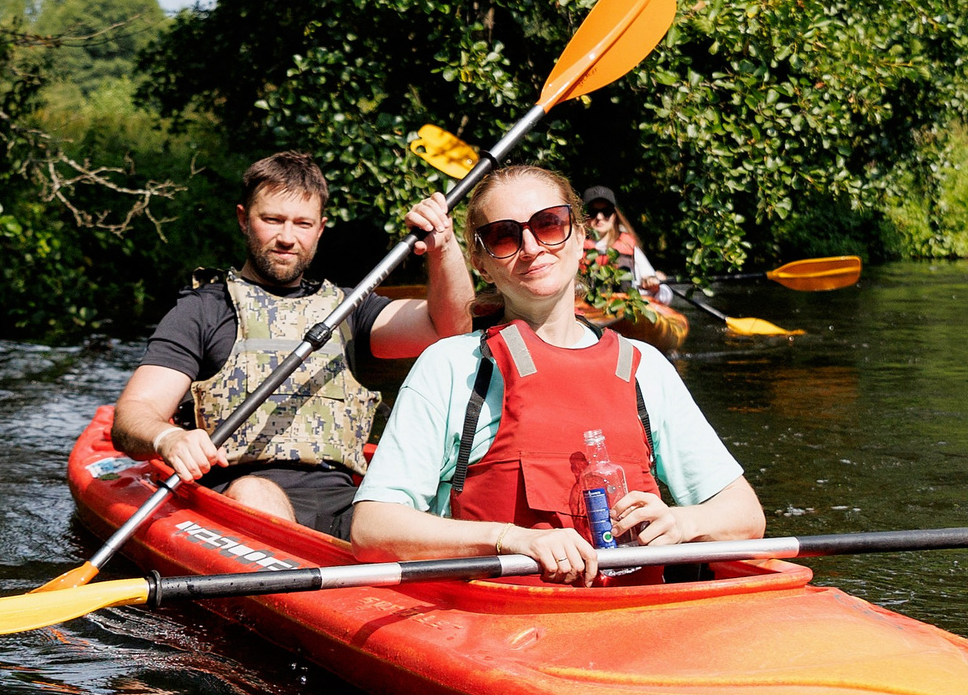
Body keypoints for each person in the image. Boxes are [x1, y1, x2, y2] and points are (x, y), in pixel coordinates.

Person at [351, 165, 763, 584]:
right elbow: (373, 528)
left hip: (639, 621)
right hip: (499, 626)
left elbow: (744, 515)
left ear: (580, 236)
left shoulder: (645, 366)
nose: (531, 247)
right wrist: (510, 539)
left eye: (549, 224)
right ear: (481, 261)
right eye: (504, 236)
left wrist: (681, 522)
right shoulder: (451, 366)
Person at [110, 151, 474, 538]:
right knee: (256, 492)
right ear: (242, 219)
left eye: (302, 223)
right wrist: (169, 438)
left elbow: (449, 328)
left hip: (344, 500)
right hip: (241, 495)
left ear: (320, 228)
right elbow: (133, 414)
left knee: (412, 519)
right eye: (272, 220)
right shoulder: (204, 310)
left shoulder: (349, 309)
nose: (287, 237)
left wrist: (444, 247)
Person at [578, 184, 672, 306]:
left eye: (606, 212)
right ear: (583, 216)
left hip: (622, 311)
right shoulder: (575, 247)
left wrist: (655, 288)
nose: (599, 217)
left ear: (615, 215)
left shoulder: (628, 246)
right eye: (592, 212)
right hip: (587, 310)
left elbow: (666, 296)